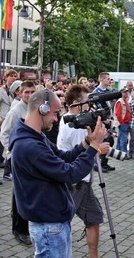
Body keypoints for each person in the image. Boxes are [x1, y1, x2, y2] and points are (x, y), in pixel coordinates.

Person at [10, 88, 110, 257]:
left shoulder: (35, 136)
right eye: (55, 113)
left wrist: (86, 142)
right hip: (49, 225)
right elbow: (70, 174)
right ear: (42, 109)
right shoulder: (30, 145)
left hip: (50, 223)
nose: (57, 119)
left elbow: (64, 157)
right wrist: (94, 148)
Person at [55, 86, 106, 258]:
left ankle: (93, 255)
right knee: (61, 223)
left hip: (81, 180)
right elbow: (85, 152)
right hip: (75, 182)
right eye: (87, 101)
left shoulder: (69, 119)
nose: (90, 105)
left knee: (94, 217)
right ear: (77, 103)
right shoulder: (76, 125)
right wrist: (99, 149)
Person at [0, 81, 37, 245]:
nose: (29, 95)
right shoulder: (15, 111)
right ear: (19, 93)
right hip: (20, 159)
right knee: (21, 194)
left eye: (32, 92)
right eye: (26, 92)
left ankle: (27, 225)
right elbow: (4, 134)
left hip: (33, 157)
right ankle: (19, 229)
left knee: (29, 193)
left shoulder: (34, 108)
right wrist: (14, 153)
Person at [0, 70, 18, 185]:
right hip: (3, 124)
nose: (14, 78)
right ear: (6, 77)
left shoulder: (17, 91)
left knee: (12, 149)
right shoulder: (1, 91)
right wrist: (0, 120)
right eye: (11, 76)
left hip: (14, 124)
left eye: (15, 76)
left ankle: (7, 172)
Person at [113, 87, 134, 156]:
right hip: (123, 123)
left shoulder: (124, 101)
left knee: (120, 138)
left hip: (125, 123)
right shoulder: (120, 102)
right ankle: (124, 154)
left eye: (127, 92)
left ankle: (118, 152)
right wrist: (121, 123)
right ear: (121, 93)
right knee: (124, 139)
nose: (126, 93)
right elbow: (118, 114)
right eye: (125, 92)